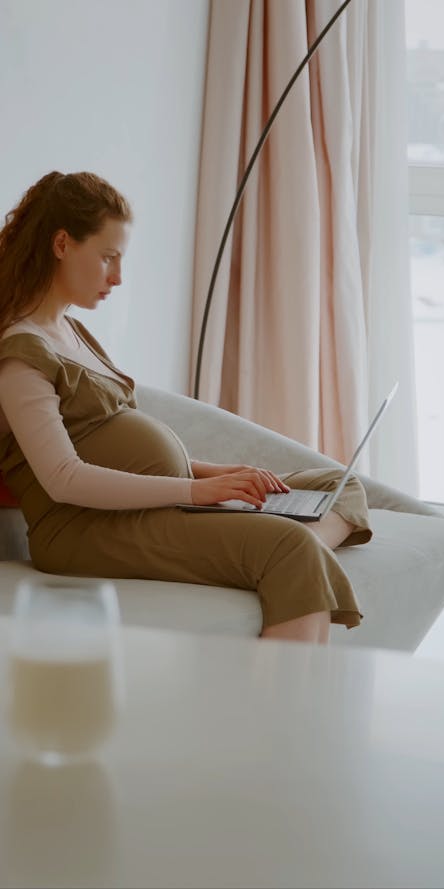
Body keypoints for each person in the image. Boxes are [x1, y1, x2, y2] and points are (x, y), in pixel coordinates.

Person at [0, 171, 373, 645]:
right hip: (86, 529)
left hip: (159, 505)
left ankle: (265, 553)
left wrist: (215, 474)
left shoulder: (71, 331)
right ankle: (281, 575)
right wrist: (198, 493)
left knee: (337, 484)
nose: (117, 277)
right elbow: (64, 478)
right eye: (108, 257)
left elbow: (111, 444)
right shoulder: (21, 353)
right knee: (290, 544)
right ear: (61, 244)